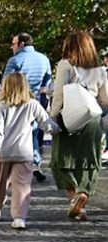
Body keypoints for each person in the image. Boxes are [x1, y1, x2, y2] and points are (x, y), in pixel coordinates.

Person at [49, 31, 108, 221]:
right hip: (91, 120)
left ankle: (75, 197)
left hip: (68, 117)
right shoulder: (100, 70)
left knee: (62, 160)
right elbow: (105, 99)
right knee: (89, 162)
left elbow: (58, 95)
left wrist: (52, 117)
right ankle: (83, 195)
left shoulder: (65, 65)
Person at [0, 73, 57, 230]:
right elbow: (46, 124)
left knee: (1, 183)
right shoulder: (32, 104)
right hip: (24, 152)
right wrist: (59, 129)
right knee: (22, 185)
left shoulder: (1, 106)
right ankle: (19, 217)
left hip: (4, 152)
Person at [2, 32, 52, 183]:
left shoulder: (15, 60)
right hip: (37, 100)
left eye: (13, 44)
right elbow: (48, 81)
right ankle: (35, 163)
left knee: (17, 132)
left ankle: (16, 166)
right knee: (35, 133)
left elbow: (6, 82)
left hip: (17, 101)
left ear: (21, 44)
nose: (12, 47)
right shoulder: (44, 59)